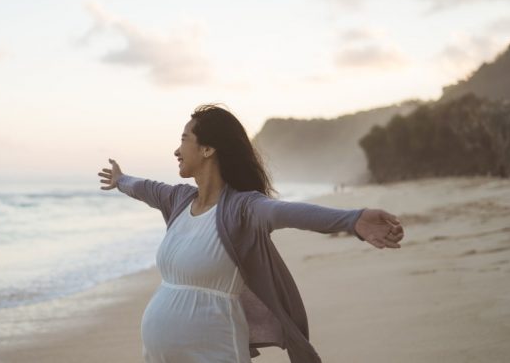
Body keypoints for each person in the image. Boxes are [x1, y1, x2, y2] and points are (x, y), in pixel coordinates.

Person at [97, 104, 404, 363]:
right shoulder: (178, 200)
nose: (176, 150)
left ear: (207, 149)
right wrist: (120, 179)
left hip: (216, 350)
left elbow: (290, 213)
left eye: (184, 139)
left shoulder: (243, 209)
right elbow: (143, 188)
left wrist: (354, 219)